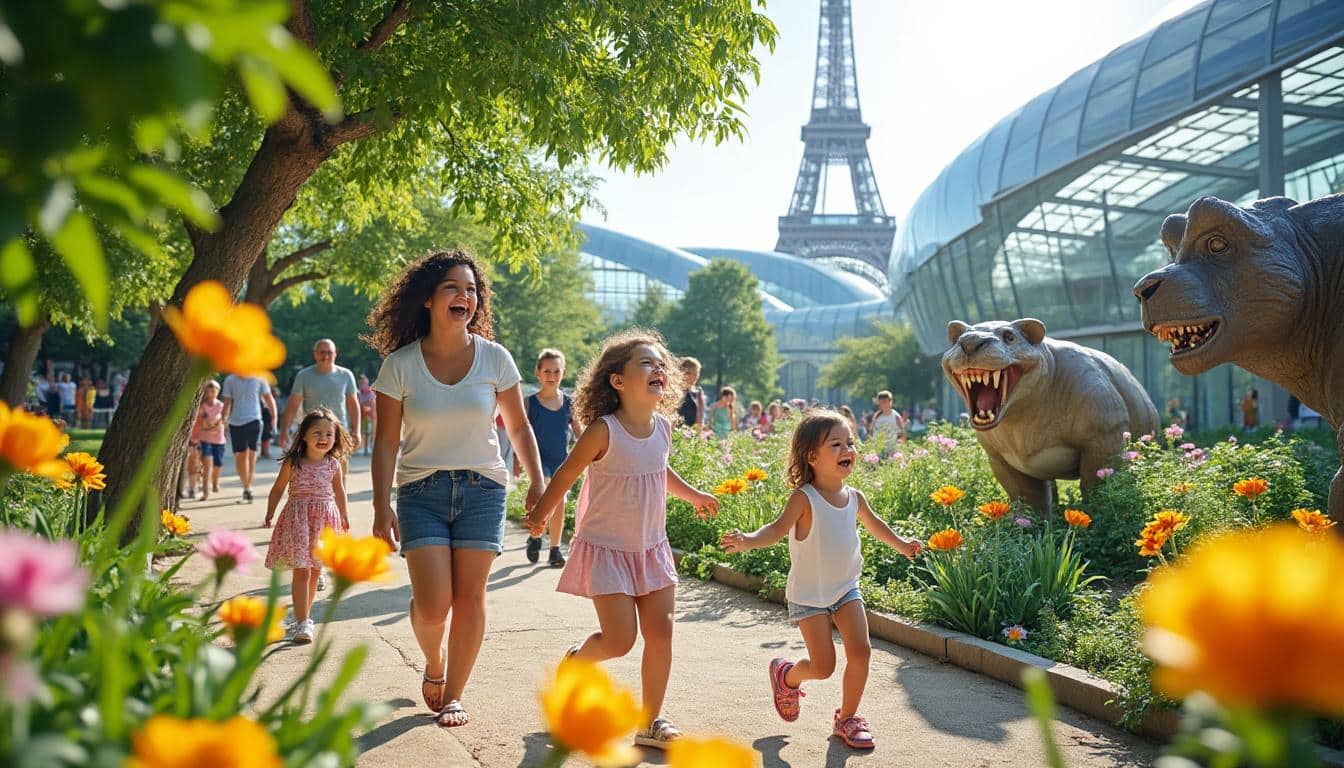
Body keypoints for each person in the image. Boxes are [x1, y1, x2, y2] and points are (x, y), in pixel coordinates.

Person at [367, 249, 547, 729]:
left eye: (471, 290)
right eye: (453, 287)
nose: (464, 296)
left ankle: (454, 697)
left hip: (483, 488)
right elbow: (385, 442)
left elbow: (518, 427)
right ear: (428, 299)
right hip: (420, 491)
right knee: (432, 607)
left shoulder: (495, 358)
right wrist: (381, 505)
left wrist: (537, 482)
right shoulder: (400, 366)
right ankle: (433, 665)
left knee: (470, 599)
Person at [525, 329, 720, 750]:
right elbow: (567, 473)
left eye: (660, 364)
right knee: (619, 640)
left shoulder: (663, 428)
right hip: (608, 549)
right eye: (646, 363)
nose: (659, 369)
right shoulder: (603, 430)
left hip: (651, 547)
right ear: (618, 380)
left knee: (662, 635)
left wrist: (694, 494)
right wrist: (541, 513)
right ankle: (576, 663)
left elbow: (659, 470)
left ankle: (650, 723)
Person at [719, 409, 922, 749]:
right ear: (812, 456)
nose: (848, 450)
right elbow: (776, 530)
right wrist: (748, 540)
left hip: (846, 589)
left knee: (861, 651)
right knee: (823, 666)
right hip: (809, 597)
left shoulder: (855, 497)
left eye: (851, 443)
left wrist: (901, 544)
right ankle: (787, 676)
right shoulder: (804, 498)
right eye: (836, 444)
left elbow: (875, 525)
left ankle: (847, 718)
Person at [263, 407, 351, 644]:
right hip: (299, 519)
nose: (323, 438)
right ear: (303, 435)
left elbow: (339, 491)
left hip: (324, 520)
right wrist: (270, 512)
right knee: (302, 570)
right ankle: (303, 622)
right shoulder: (294, 462)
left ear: (335, 438)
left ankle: (304, 618)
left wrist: (344, 515)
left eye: (328, 434)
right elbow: (278, 489)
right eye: (317, 433)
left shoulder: (333, 464)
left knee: (314, 571)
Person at [519, 348, 582, 568]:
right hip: (538, 462)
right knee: (545, 493)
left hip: (561, 461)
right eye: (547, 371)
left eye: (556, 371)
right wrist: (519, 462)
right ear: (538, 372)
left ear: (563, 373)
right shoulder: (529, 403)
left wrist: (591, 453)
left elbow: (579, 432)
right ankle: (537, 536)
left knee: (560, 501)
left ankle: (553, 548)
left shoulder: (569, 403)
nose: (551, 375)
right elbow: (520, 435)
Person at [280, 339, 362, 472]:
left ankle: (340, 494)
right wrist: (284, 430)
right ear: (315, 354)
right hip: (312, 432)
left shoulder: (346, 375)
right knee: (313, 471)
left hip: (338, 431)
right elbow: (293, 404)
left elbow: (353, 404)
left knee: (339, 473)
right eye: (322, 352)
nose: (326, 356)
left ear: (335, 354)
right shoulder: (304, 376)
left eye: (329, 352)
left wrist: (356, 431)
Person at [221, 372, 278, 503]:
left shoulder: (260, 377)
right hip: (235, 422)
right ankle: (245, 485)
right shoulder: (230, 379)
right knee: (240, 455)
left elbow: (269, 398)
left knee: (251, 454)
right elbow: (227, 402)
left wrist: (274, 417)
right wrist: (223, 421)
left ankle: (249, 486)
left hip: (254, 420)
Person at [194, 380, 227, 500]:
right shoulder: (202, 406)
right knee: (207, 465)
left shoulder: (221, 406)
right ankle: (205, 492)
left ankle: (215, 482)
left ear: (218, 392)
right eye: (210, 391)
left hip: (219, 440)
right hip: (205, 439)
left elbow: (222, 420)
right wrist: (212, 425)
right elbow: (203, 424)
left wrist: (214, 425)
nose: (212, 393)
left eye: (215, 391)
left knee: (218, 464)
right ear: (206, 392)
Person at [676, 357, 705, 428]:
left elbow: (700, 420)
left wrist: (697, 435)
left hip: (691, 435)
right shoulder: (672, 391)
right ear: (681, 372)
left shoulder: (698, 392)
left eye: (696, 374)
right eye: (689, 373)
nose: (693, 377)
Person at [357, 375, 376, 456]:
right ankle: (363, 447)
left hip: (372, 415)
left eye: (364, 383)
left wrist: (372, 413)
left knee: (372, 431)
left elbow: (373, 404)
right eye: (361, 383)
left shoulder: (371, 393)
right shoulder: (358, 393)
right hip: (363, 415)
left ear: (367, 383)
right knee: (364, 431)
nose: (363, 385)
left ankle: (371, 447)